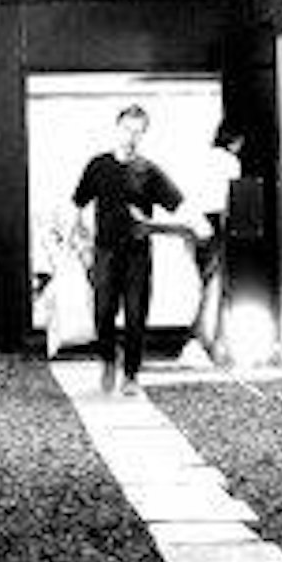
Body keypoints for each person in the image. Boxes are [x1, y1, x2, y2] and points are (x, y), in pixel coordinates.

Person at [68, 104, 183, 395]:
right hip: (105, 249)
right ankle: (108, 360)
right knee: (104, 311)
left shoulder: (148, 170)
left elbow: (176, 204)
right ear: (117, 128)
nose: (131, 136)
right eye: (127, 129)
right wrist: (79, 244)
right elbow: (76, 206)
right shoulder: (98, 166)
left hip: (137, 253)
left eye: (138, 131)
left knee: (135, 313)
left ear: (143, 134)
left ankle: (131, 373)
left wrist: (187, 226)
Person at [178, 114, 246, 366]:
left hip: (195, 225)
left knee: (205, 283)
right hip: (217, 222)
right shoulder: (231, 162)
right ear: (236, 141)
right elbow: (232, 199)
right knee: (214, 286)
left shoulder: (202, 158)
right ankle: (199, 342)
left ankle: (207, 343)